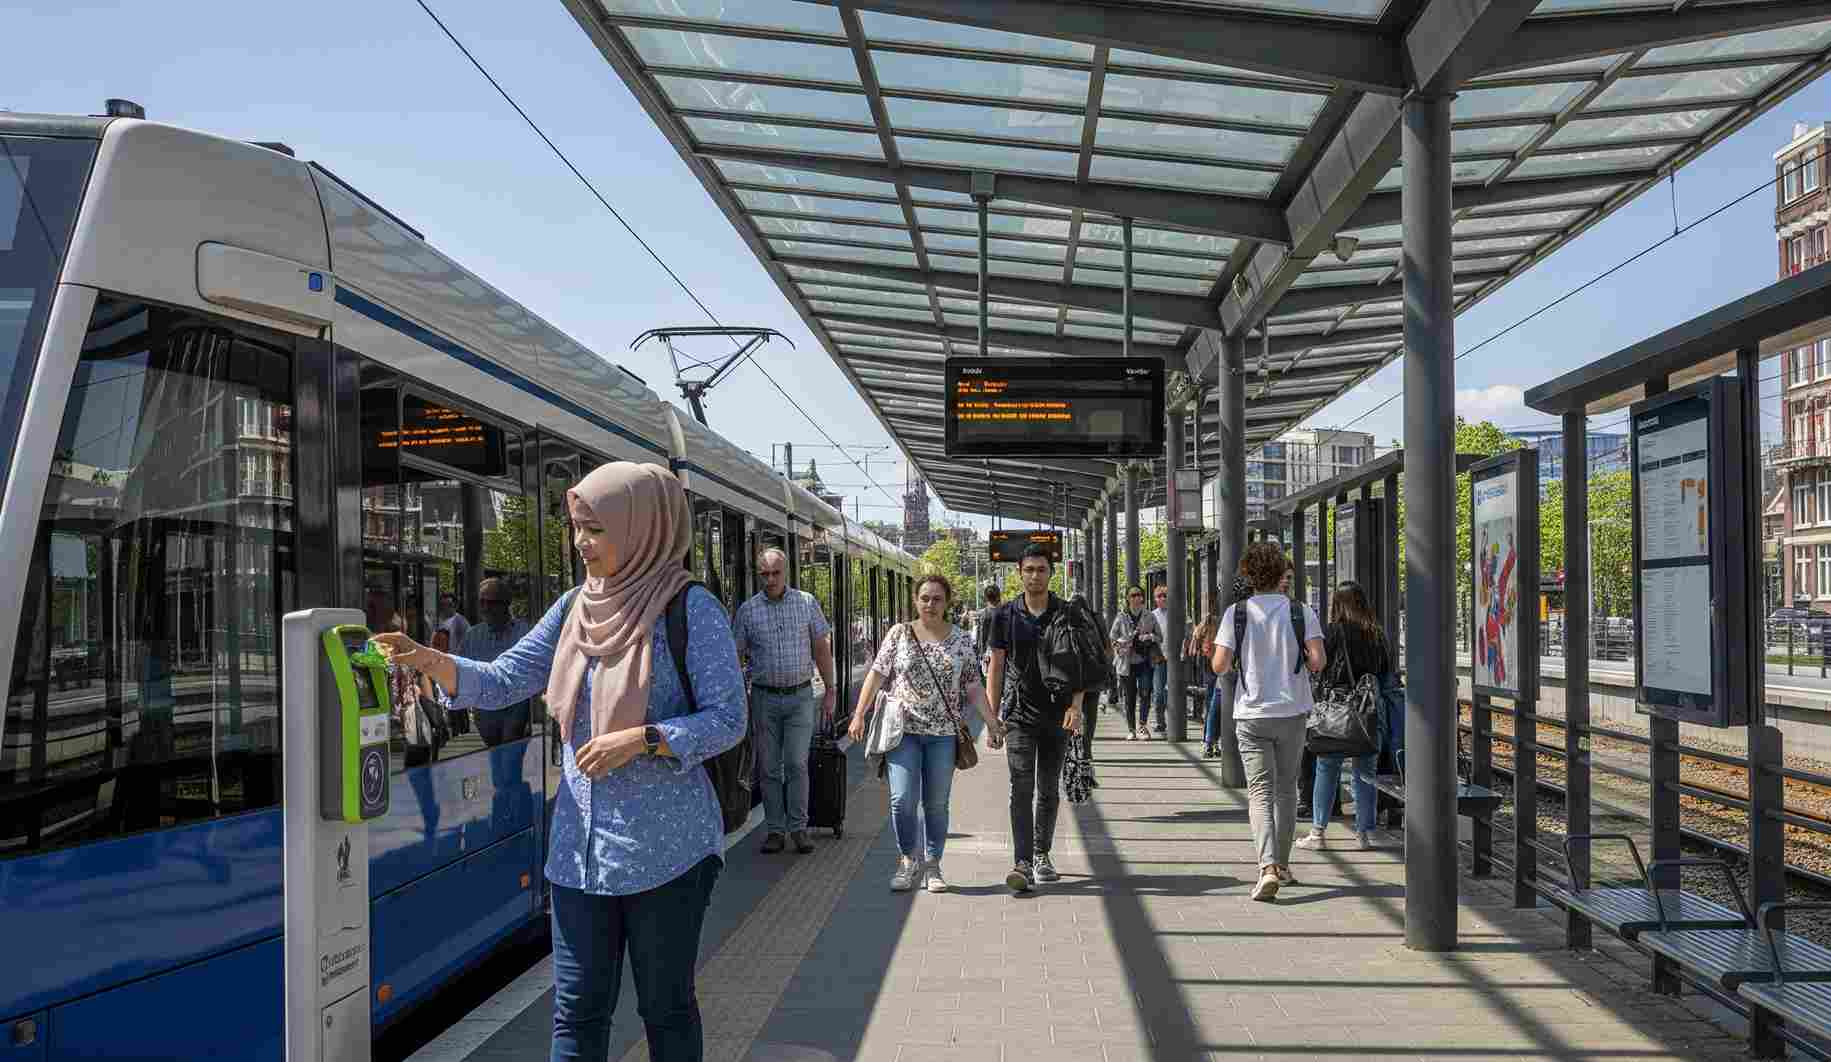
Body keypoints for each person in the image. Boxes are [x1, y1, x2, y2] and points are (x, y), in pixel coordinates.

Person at [374, 461, 746, 1062]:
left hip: (667, 852)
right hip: (579, 853)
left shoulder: (691, 608)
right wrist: (424, 658)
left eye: (594, 529)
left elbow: (728, 719)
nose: (580, 543)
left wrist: (643, 738)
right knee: (575, 1011)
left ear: (639, 527)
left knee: (665, 1007)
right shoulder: (575, 605)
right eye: (576, 527)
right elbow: (502, 679)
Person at [849, 575, 1006, 892]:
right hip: (902, 731)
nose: (930, 604)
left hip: (942, 735)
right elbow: (877, 674)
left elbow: (973, 686)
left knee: (936, 804)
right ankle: (908, 860)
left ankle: (933, 866)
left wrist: (991, 721)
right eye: (924, 598)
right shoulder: (899, 634)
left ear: (947, 602)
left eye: (936, 599)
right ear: (915, 601)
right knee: (902, 800)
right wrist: (858, 715)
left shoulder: (962, 640)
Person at [1212, 541, 1325, 903]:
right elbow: (1318, 661)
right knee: (1287, 789)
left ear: (1249, 575)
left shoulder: (1236, 613)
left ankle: (1266, 868)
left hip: (1252, 714)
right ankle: (1284, 865)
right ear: (1280, 575)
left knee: (1259, 792)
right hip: (1292, 712)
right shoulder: (1300, 611)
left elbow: (1220, 665)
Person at [987, 544, 1086, 894]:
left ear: (1051, 573)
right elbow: (996, 667)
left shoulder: (1067, 613)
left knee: (1047, 789)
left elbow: (1081, 664)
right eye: (1028, 569)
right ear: (1019, 573)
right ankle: (1023, 861)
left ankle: (1042, 853)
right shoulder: (1004, 615)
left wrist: (1076, 706)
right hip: (1018, 715)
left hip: (1058, 715)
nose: (1034, 575)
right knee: (1021, 788)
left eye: (1041, 569)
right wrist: (992, 717)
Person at [732, 547, 837, 855]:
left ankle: (799, 829)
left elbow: (821, 647)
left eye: (775, 573)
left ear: (786, 572)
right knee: (768, 768)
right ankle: (775, 831)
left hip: (800, 696)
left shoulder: (806, 604)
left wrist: (830, 689)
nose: (770, 579)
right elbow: (735, 656)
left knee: (795, 763)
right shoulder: (748, 611)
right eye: (764, 574)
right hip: (764, 697)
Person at [1299, 581, 1391, 852]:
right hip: (1368, 711)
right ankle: (1363, 834)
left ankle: (1318, 833)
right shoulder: (1377, 634)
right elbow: (1386, 673)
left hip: (1336, 710)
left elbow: (1321, 668)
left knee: (1327, 768)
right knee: (1366, 773)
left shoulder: (1333, 632)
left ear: (1337, 604)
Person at [460, 578, 533, 746]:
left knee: (509, 757)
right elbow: (461, 671)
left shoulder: (525, 632)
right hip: (485, 713)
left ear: (506, 603)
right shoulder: (473, 636)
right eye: (482, 602)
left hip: (516, 709)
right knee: (496, 760)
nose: (486, 608)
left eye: (491, 603)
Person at [1109, 587, 1150, 741]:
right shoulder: (1121, 617)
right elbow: (1112, 636)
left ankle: (1142, 726)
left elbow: (1159, 637)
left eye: (1139, 595)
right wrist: (1119, 645)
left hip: (1144, 660)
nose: (1136, 598)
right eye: (1132, 595)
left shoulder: (1148, 616)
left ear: (1143, 598)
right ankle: (1131, 729)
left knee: (1145, 693)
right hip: (1126, 663)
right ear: (1127, 598)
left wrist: (1150, 636)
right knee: (1130, 697)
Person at [1144, 584, 1172, 734]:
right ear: (1155, 599)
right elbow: (1145, 634)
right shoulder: (1152, 615)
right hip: (1158, 657)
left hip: (1175, 658)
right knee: (1159, 691)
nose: (1162, 599)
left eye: (1164, 596)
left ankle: (1173, 720)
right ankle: (1161, 722)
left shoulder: (1177, 613)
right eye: (1159, 596)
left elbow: (1188, 631)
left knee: (1172, 691)